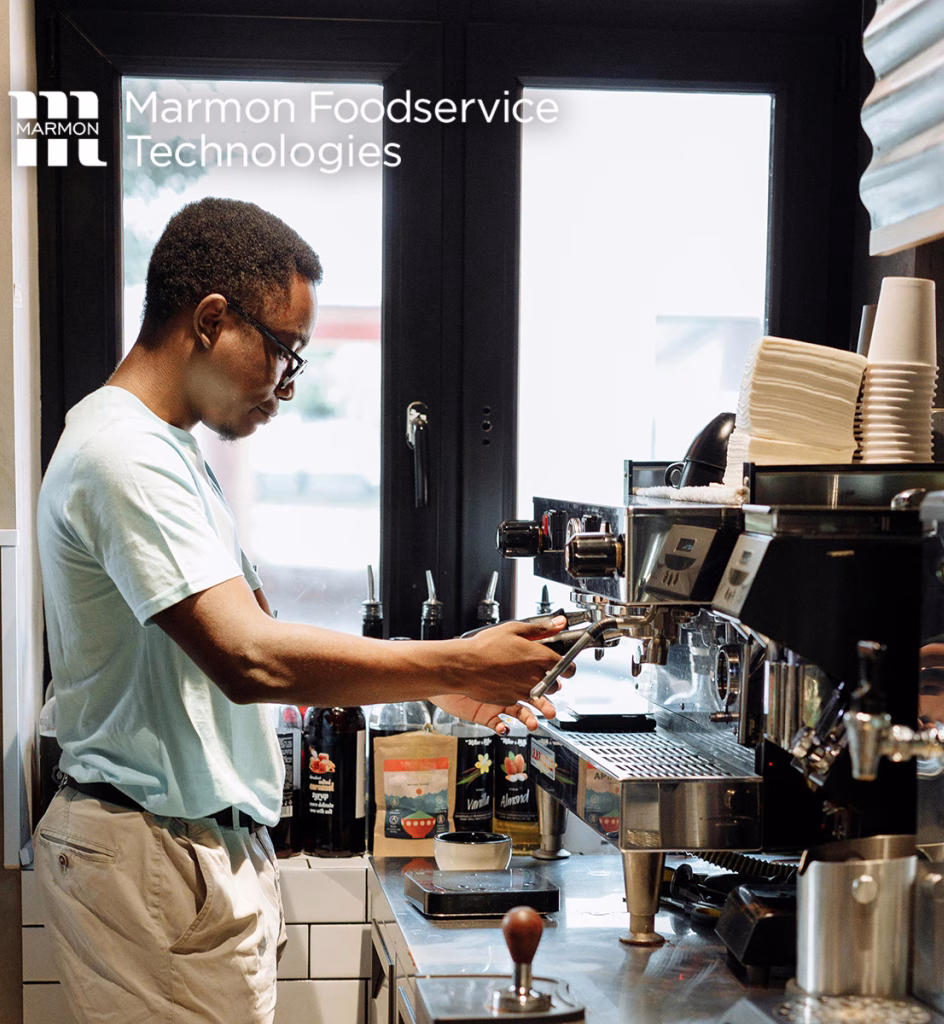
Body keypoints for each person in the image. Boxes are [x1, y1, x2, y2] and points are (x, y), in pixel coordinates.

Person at [34, 196, 568, 1024]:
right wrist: (459, 660)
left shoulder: (166, 452)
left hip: (176, 855)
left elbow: (255, 649)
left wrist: (437, 690)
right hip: (154, 857)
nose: (286, 385)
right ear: (212, 320)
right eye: (284, 350)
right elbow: (250, 660)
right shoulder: (124, 455)